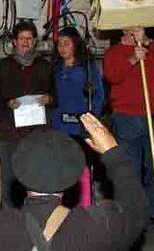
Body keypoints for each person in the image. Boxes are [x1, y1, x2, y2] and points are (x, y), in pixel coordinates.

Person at [0, 114, 148, 251]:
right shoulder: (91, 228)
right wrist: (113, 153)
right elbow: (135, 211)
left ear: (18, 172)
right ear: (74, 176)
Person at [103, 26, 154, 229]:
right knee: (130, 169)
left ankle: (152, 211)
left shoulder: (149, 47)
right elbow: (112, 76)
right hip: (126, 118)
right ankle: (132, 214)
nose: (134, 30)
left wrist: (148, 41)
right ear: (123, 29)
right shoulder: (113, 52)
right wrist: (133, 59)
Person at [0, 21, 55, 208]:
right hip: (10, 133)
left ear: (35, 41)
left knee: (36, 177)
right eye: (22, 38)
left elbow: (56, 96)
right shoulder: (1, 66)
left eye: (29, 38)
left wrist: (49, 99)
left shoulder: (46, 66)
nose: (25, 42)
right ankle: (9, 219)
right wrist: (6, 103)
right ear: (14, 41)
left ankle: (36, 217)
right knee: (10, 180)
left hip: (38, 134)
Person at [50, 26, 104, 208]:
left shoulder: (87, 67)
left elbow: (98, 96)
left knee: (82, 168)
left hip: (80, 126)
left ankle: (86, 206)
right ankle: (65, 207)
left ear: (76, 44)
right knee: (63, 168)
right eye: (59, 44)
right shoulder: (56, 69)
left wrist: (91, 121)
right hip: (60, 126)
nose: (62, 48)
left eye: (66, 43)